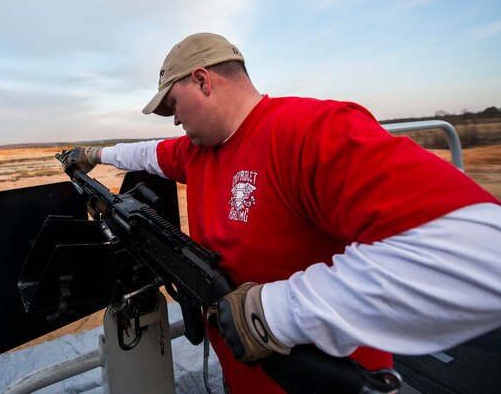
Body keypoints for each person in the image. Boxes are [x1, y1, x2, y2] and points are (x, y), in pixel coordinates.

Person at [62, 32, 501, 394]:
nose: (174, 121)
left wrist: (274, 314)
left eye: (174, 105)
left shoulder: (310, 132)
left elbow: (482, 251)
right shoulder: (198, 152)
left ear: (202, 80)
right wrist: (93, 154)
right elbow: (147, 154)